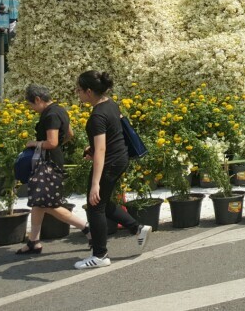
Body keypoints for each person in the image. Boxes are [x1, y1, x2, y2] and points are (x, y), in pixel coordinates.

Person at [74, 70, 150, 269]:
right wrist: (91, 149)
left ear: (89, 92)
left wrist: (95, 184)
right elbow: (113, 134)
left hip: (109, 162)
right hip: (119, 158)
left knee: (95, 205)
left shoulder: (97, 116)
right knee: (102, 203)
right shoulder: (110, 104)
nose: (77, 93)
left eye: (79, 90)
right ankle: (137, 228)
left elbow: (101, 150)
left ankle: (100, 255)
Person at [16, 84, 89, 256]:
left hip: (47, 164)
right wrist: (55, 148)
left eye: (31, 105)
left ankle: (87, 228)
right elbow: (69, 134)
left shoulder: (50, 115)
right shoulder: (60, 110)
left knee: (49, 204)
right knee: (38, 202)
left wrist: (34, 144)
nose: (32, 109)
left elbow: (52, 142)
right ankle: (34, 241)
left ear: (38, 100)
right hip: (52, 160)